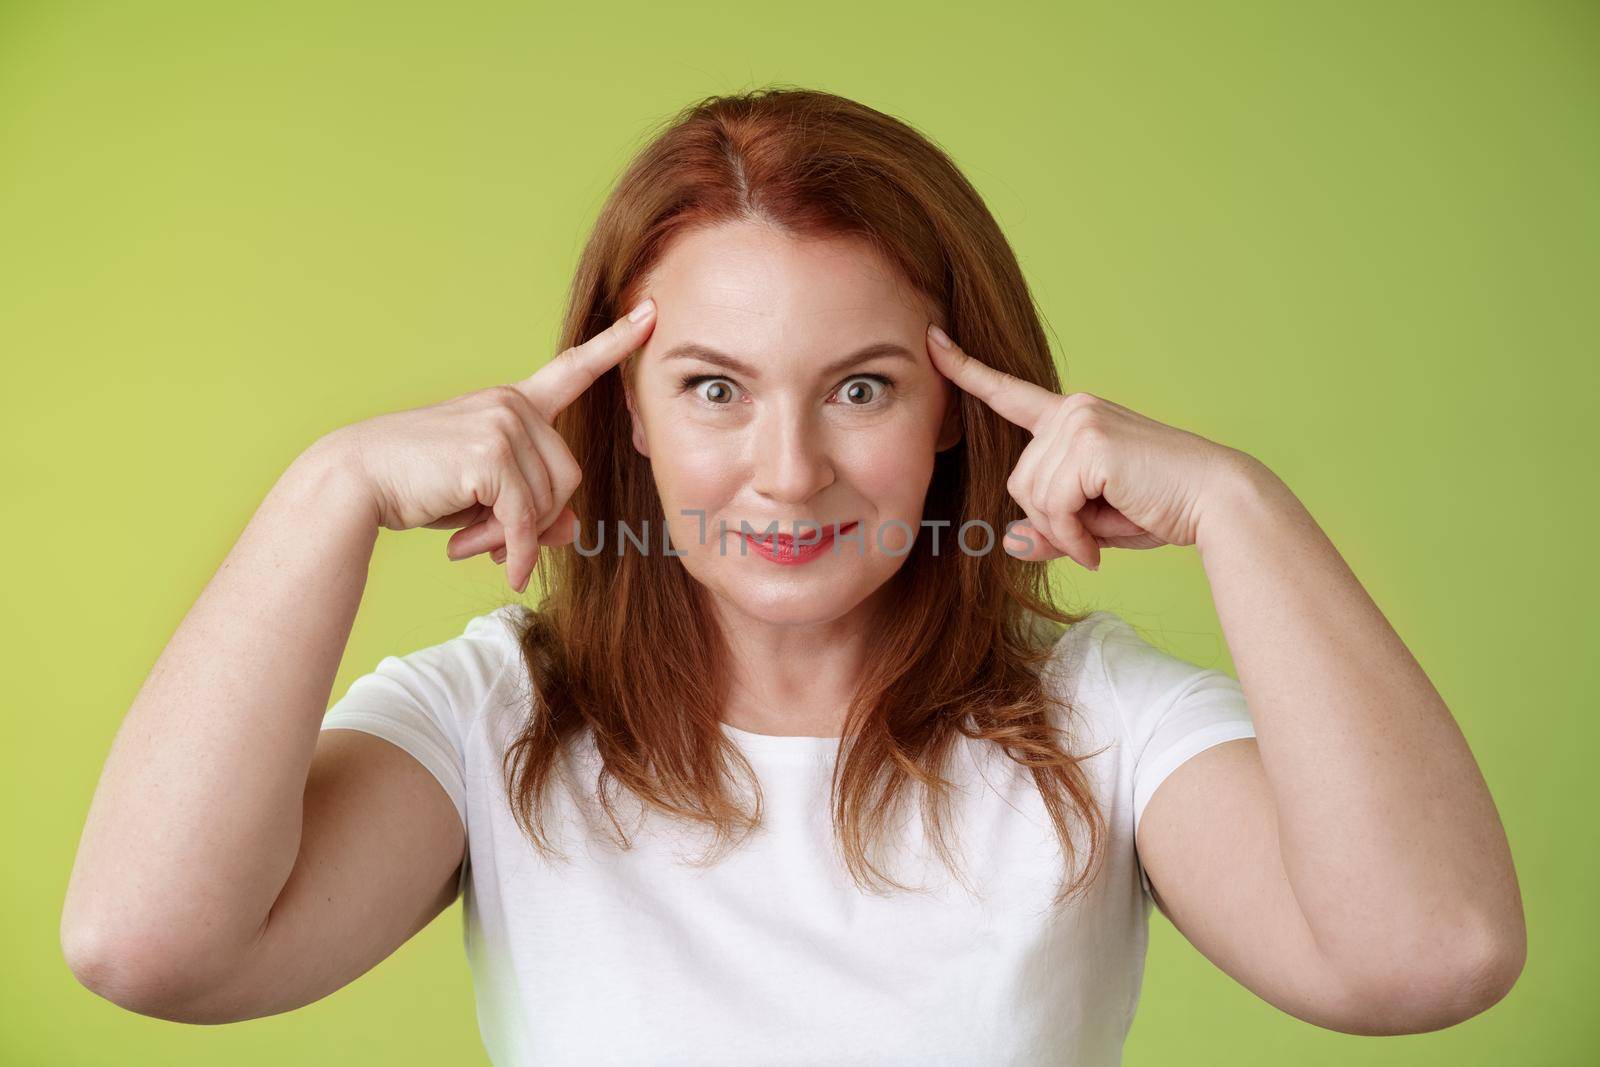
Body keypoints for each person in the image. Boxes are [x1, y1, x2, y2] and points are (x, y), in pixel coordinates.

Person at [61, 87, 1525, 1065]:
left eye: (863, 388)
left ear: (960, 405)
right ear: (622, 414)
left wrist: (1239, 505)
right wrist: (327, 488)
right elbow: (146, 947)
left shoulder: (1100, 723)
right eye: (711, 388)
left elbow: (1429, 959)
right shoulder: (494, 719)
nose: (786, 472)